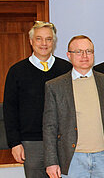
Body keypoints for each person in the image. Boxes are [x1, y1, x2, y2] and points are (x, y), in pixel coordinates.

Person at [43, 35, 104, 178]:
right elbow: (49, 127)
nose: (84, 56)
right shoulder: (55, 86)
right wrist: (51, 162)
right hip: (73, 159)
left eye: (89, 51)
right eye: (78, 51)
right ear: (69, 55)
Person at [3, 21, 71, 178]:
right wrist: (15, 143)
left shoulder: (66, 69)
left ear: (53, 42)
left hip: (62, 141)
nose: (44, 43)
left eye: (48, 39)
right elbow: (10, 110)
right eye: (39, 39)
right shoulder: (17, 71)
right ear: (31, 41)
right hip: (31, 143)